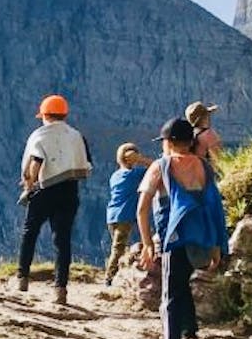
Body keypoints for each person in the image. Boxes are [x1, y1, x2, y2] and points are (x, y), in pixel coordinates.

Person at [137, 117, 228, 339]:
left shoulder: (161, 166)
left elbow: (142, 208)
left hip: (174, 238)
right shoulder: (204, 167)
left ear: (169, 141)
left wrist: (147, 243)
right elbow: (214, 207)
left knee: (170, 294)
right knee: (182, 286)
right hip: (200, 238)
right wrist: (217, 244)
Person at [15, 94, 92, 304]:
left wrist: (29, 184)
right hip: (69, 191)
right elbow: (85, 164)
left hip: (44, 190)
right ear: (64, 114)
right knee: (62, 239)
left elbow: (36, 161)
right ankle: (60, 289)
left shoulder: (40, 135)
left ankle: (22, 277)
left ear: (45, 115)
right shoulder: (76, 136)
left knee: (30, 232)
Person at [104, 142, 152, 285]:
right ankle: (109, 278)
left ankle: (117, 274)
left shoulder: (115, 175)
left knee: (119, 247)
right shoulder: (135, 175)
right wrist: (140, 159)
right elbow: (156, 167)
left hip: (112, 215)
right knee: (118, 248)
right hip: (124, 216)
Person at [185, 101, 222, 166]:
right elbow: (219, 160)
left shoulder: (189, 134)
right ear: (205, 117)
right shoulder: (209, 135)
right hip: (207, 173)